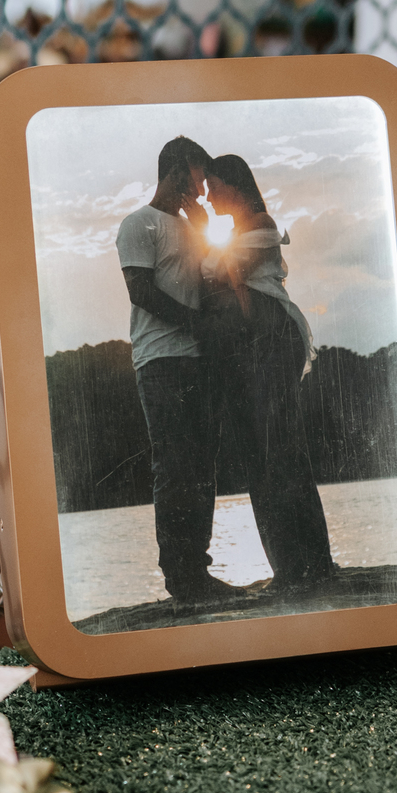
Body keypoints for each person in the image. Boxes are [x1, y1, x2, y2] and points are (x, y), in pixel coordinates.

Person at [200, 153, 335, 593]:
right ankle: (292, 567)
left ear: (235, 185)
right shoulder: (238, 232)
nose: (208, 194)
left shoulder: (262, 222)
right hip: (251, 347)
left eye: (214, 186)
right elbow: (217, 274)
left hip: (275, 338)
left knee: (280, 449)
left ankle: (311, 564)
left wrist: (217, 269)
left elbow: (223, 271)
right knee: (263, 455)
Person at [116, 135, 239, 606]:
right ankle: (180, 578)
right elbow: (139, 290)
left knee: (202, 467)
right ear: (177, 171)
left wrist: (205, 229)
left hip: (200, 361)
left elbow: (211, 283)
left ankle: (198, 573)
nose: (204, 185)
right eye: (198, 174)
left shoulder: (194, 228)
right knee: (175, 466)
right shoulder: (138, 224)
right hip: (161, 362)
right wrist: (196, 324)